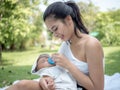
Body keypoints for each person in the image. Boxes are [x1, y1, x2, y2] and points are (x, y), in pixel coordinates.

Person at [5, 1, 120, 90]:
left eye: (55, 28)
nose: (55, 35)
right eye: (51, 31)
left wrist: (69, 65)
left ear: (68, 19)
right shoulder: (65, 45)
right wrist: (44, 80)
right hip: (61, 86)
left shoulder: (91, 44)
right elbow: (55, 70)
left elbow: (98, 88)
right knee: (22, 85)